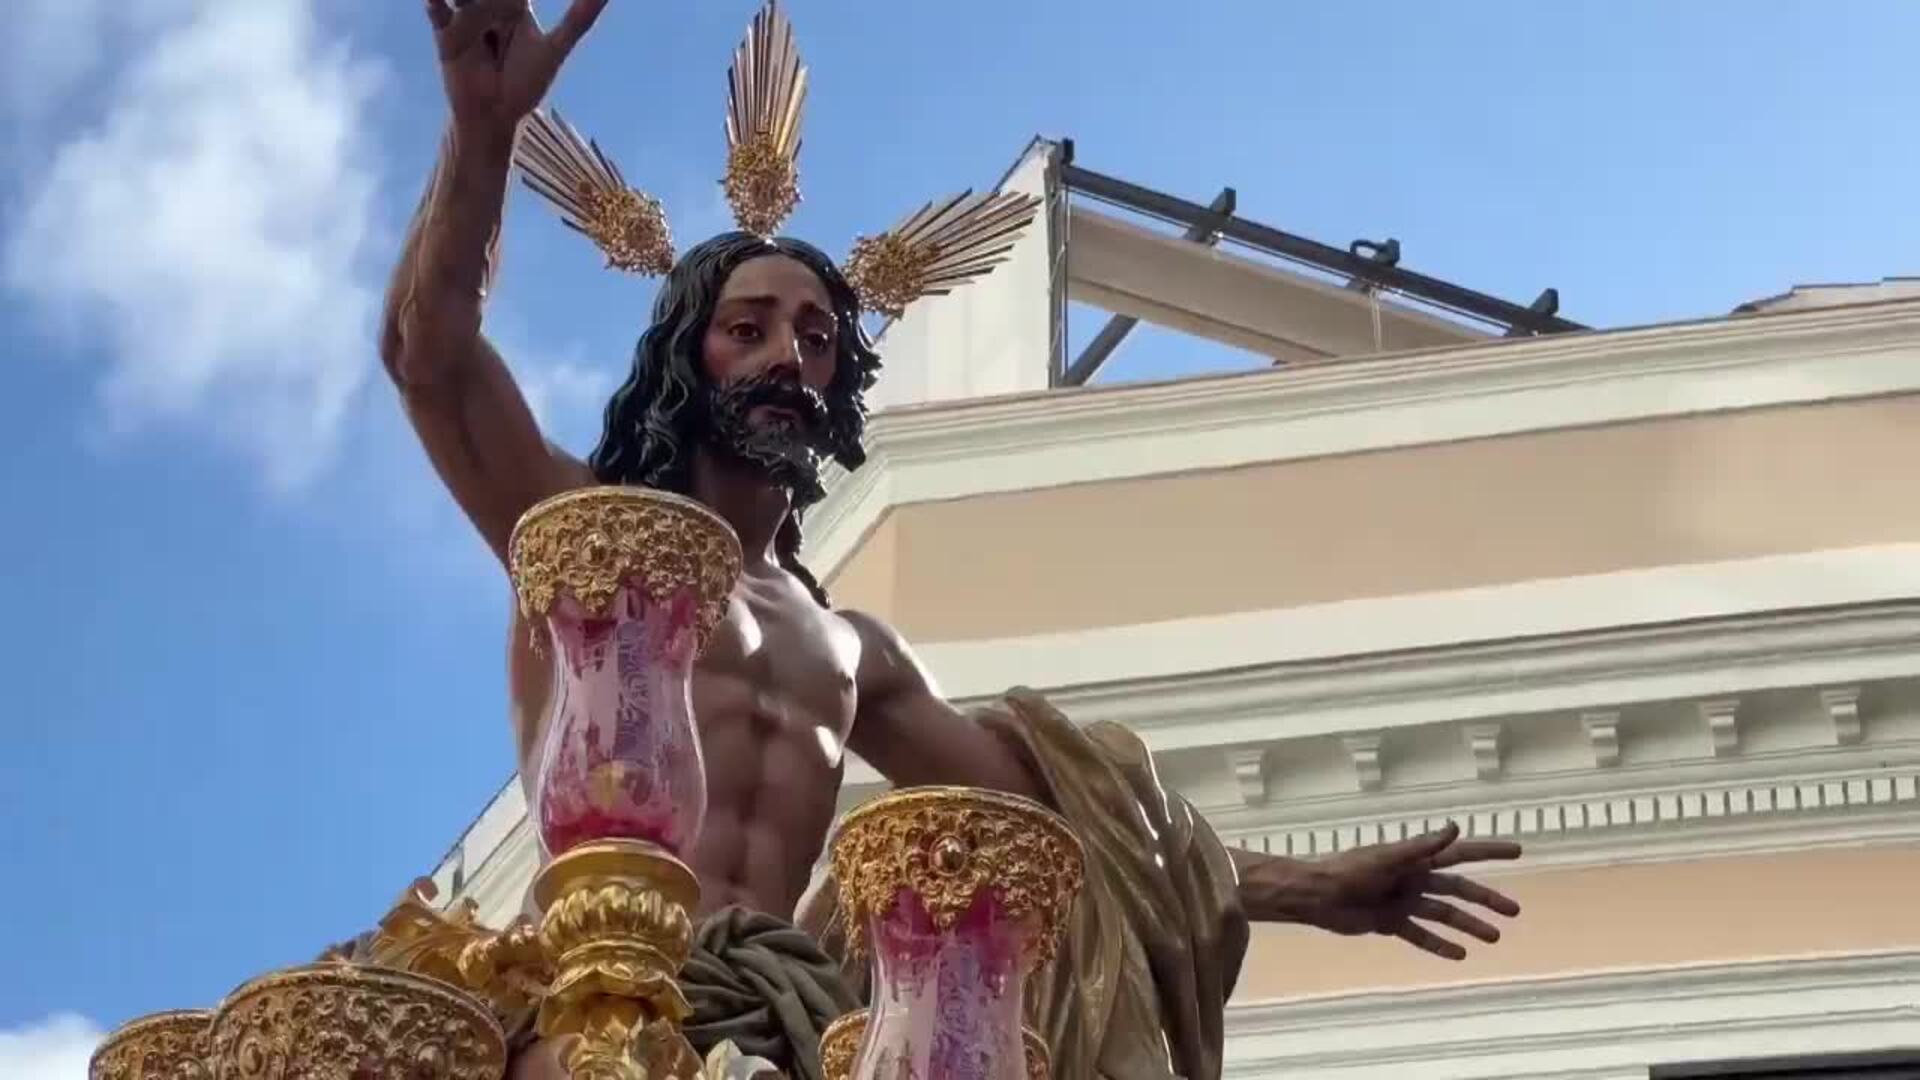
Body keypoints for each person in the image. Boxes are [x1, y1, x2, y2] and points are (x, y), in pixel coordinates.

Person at [384, 2, 1525, 1078]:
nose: (789, 358)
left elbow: (1080, 837)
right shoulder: (591, 543)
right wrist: (483, 139)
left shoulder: (847, 652)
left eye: (818, 339)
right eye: (749, 329)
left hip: (770, 1029)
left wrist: (1314, 890)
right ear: (689, 358)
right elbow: (429, 356)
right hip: (589, 1007)